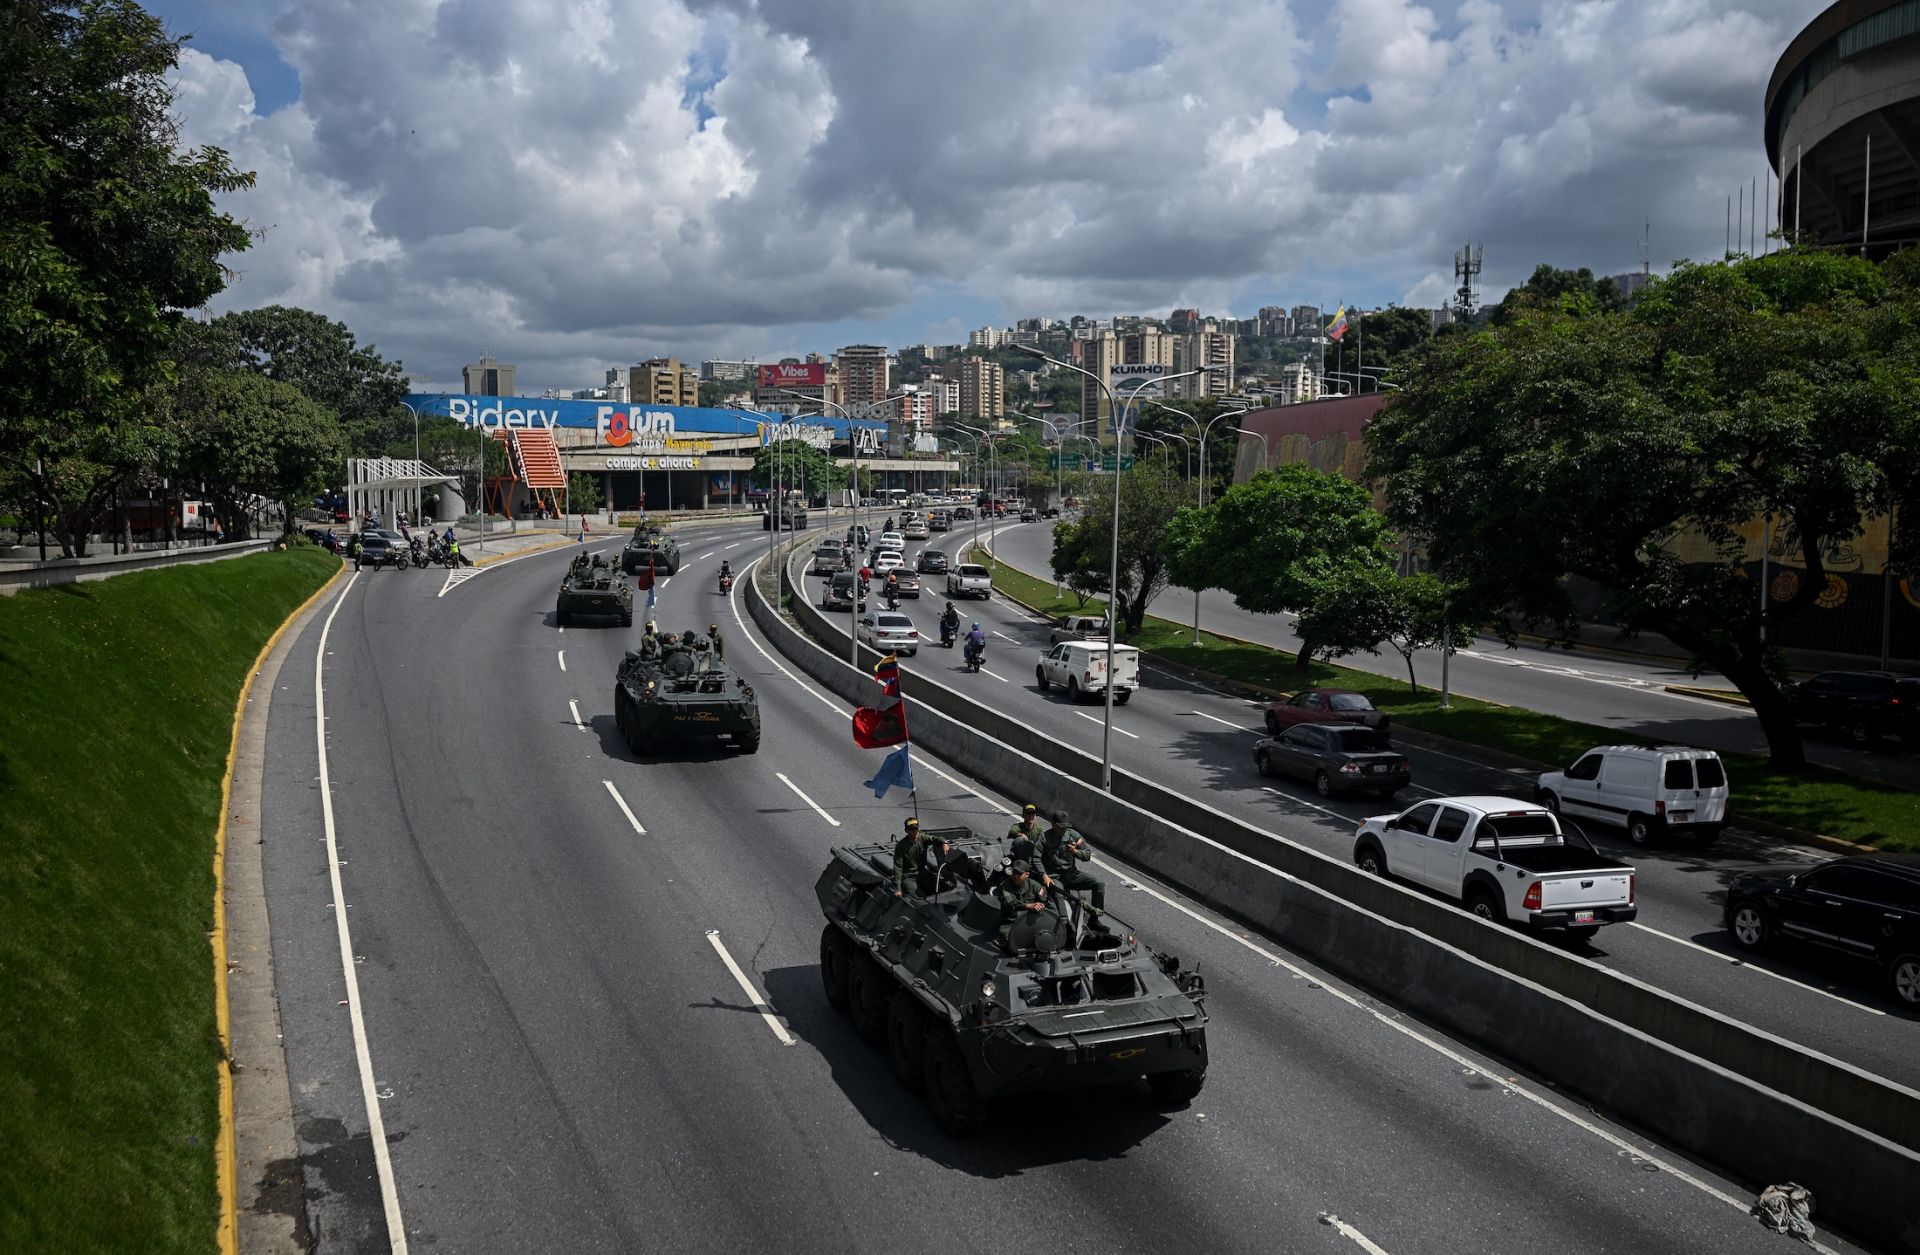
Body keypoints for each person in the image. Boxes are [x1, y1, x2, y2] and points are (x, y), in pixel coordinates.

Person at [1040, 810, 1105, 914]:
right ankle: (1065, 922)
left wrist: (1075, 852)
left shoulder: (1073, 835)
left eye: (1065, 827)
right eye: (1060, 827)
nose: (1063, 830)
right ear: (1053, 824)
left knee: (1099, 884)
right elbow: (1035, 858)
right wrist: (1044, 875)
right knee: (1058, 893)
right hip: (1053, 876)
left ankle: (1095, 917)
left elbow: (1087, 855)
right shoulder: (1044, 837)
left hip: (1071, 874)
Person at [994, 862, 1052, 951]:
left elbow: (1046, 899)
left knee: (1044, 939)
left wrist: (1041, 905)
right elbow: (1010, 903)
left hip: (1031, 920)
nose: (1015, 876)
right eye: (1014, 872)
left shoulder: (1034, 885)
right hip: (1011, 922)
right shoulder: (1005, 886)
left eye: (1019, 873)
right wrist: (1028, 906)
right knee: (1012, 943)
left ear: (1027, 874)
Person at [891, 817, 926, 897]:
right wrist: (898, 888)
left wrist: (944, 842)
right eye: (911, 829)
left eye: (916, 829)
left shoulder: (922, 838)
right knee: (917, 896)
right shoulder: (901, 846)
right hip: (908, 876)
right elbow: (898, 867)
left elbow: (934, 839)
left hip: (921, 873)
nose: (914, 831)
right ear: (906, 831)